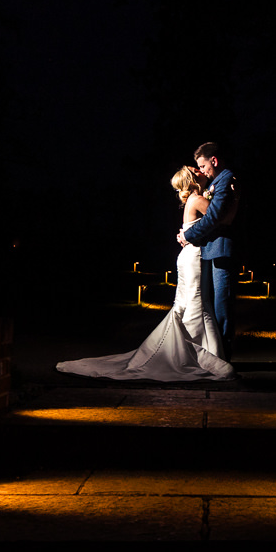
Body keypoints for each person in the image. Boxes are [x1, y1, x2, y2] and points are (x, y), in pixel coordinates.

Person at [54, 165, 235, 382]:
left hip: (191, 255)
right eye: (196, 170)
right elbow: (222, 218)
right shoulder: (196, 200)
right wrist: (235, 199)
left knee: (190, 304)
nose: (200, 170)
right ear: (192, 180)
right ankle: (201, 354)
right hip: (194, 257)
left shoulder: (194, 200)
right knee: (197, 303)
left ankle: (194, 350)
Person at [177, 141, 238, 362]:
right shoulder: (213, 185)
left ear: (214, 160)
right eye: (199, 169)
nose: (202, 171)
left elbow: (215, 218)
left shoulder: (225, 180)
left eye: (203, 166)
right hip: (210, 249)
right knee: (212, 302)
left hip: (221, 249)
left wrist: (188, 235)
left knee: (222, 302)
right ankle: (214, 351)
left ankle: (223, 355)